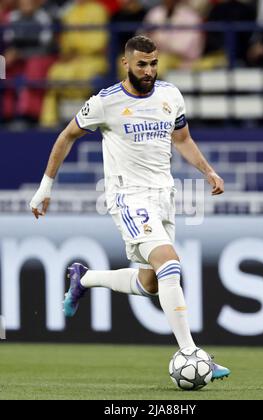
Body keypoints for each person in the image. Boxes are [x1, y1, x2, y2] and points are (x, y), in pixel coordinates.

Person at [29, 35, 230, 381]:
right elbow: (66, 136)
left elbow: (181, 138)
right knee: (170, 263)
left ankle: (84, 278)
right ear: (126, 63)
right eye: (142, 64)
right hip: (128, 197)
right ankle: (191, 352)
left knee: (153, 283)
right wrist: (45, 188)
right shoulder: (106, 102)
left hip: (165, 196)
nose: (149, 70)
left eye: (153, 64)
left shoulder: (170, 95)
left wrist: (207, 171)